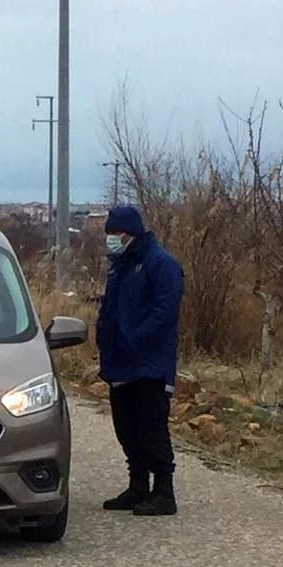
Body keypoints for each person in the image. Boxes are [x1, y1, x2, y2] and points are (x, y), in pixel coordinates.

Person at [95, 202, 184, 517]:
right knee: (126, 427)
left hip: (149, 365)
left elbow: (164, 313)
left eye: (116, 233)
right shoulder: (120, 265)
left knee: (151, 427)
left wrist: (135, 341)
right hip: (120, 365)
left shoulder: (160, 264)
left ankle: (163, 492)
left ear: (130, 232)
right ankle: (138, 486)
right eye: (109, 233)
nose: (111, 238)